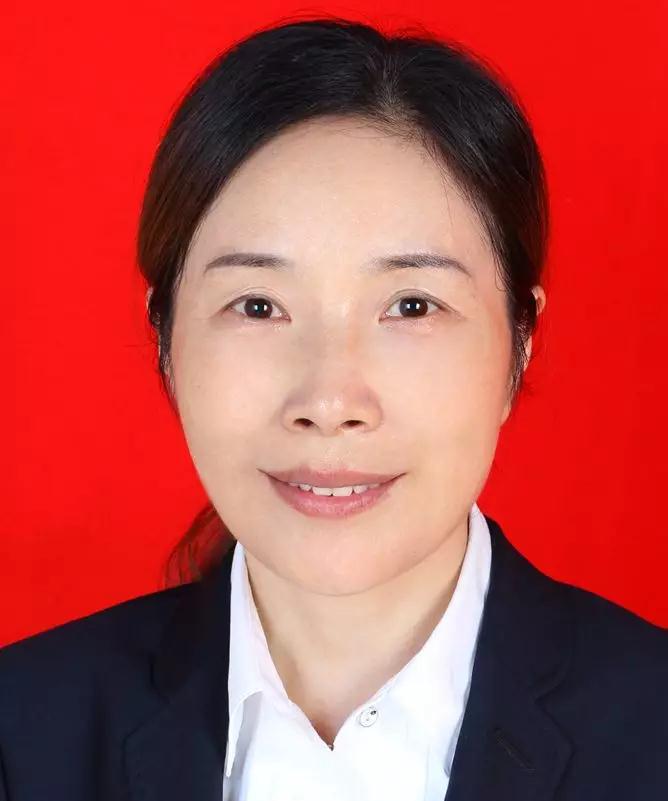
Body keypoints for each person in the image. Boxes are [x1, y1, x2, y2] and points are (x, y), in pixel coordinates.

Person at [0, 14, 666, 801]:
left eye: (412, 305)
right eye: (257, 305)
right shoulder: (23, 734)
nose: (329, 401)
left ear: (521, 341)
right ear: (165, 339)